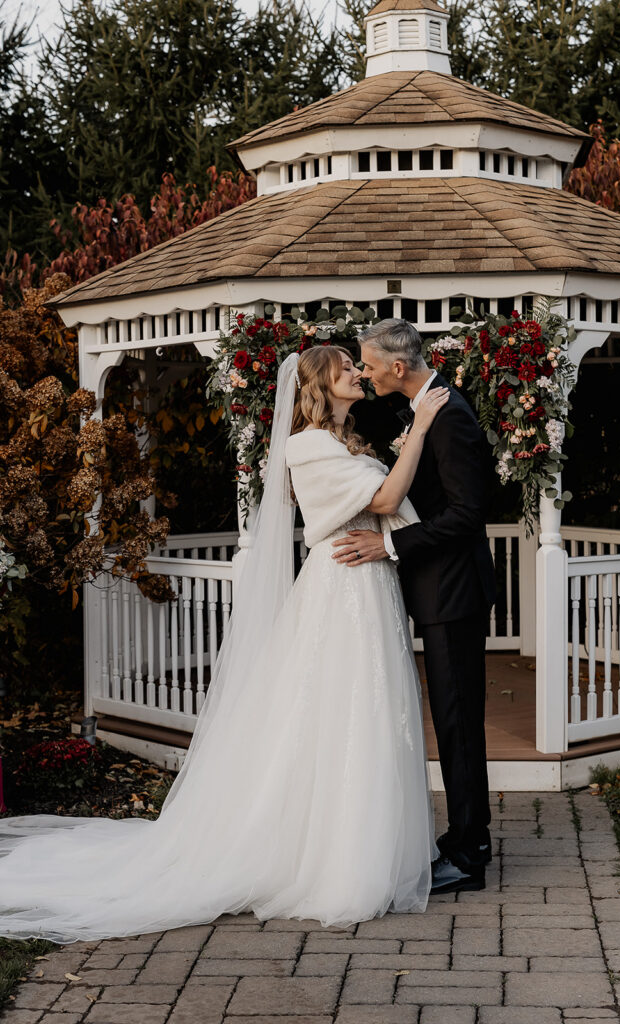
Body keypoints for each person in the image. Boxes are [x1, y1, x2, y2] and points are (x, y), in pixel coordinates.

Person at [0, 346, 451, 943]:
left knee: (366, 712)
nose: (355, 373)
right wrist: (420, 427)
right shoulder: (308, 445)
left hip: (369, 585)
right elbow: (388, 502)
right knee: (342, 711)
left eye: (354, 364)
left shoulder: (348, 440)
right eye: (343, 367)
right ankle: (332, 862)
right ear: (318, 386)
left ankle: (357, 844)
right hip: (341, 590)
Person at [332, 319, 497, 895]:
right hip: (438, 589)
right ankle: (463, 839)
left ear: (397, 368)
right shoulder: (423, 409)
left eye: (369, 366)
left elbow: (466, 514)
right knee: (452, 721)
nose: (365, 373)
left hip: (453, 593)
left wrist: (390, 544)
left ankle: (470, 854)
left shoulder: (448, 415)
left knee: (457, 724)